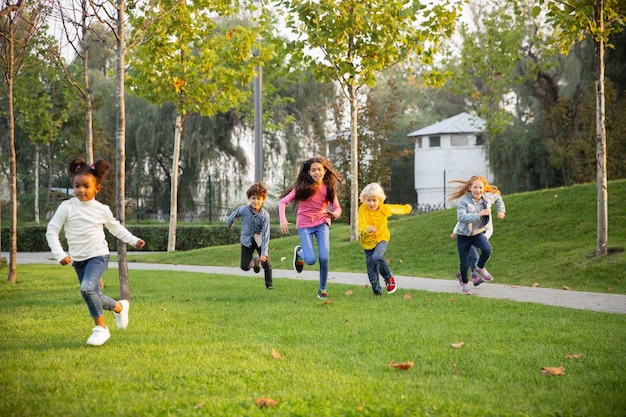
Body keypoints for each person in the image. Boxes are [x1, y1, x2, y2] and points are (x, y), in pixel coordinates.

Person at [46, 157, 145, 346]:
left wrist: (134, 240)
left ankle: (101, 328)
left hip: (98, 256)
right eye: (77, 186)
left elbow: (116, 228)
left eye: (86, 186)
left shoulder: (102, 209)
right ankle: (119, 307)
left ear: (96, 189)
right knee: (94, 294)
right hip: (78, 259)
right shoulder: (66, 207)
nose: (81, 190)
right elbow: (52, 230)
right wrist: (60, 254)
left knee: (86, 288)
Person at [279, 156, 342, 299]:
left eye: (319, 169)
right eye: (313, 170)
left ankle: (323, 289)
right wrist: (283, 219)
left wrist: (334, 214)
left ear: (325, 171)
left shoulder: (329, 188)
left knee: (324, 257)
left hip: (322, 223)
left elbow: (337, 207)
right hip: (305, 225)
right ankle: (300, 252)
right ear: (308, 172)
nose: (317, 173)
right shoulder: (302, 187)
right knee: (310, 260)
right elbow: (283, 202)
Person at [448, 175, 505, 295]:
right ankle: (464, 283)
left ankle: (479, 268)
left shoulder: (488, 197)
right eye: (475, 187)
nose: (478, 190)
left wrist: (501, 211)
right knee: (465, 263)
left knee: (487, 249)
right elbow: (461, 217)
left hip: (477, 233)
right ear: (470, 188)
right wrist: (479, 214)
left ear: (484, 188)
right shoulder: (465, 202)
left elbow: (498, 198)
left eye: (480, 187)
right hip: (463, 235)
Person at [358, 182, 412, 296]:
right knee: (371, 270)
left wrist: (407, 208)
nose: (371, 203)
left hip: (381, 238)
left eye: (374, 200)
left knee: (377, 256)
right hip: (367, 242)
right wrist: (367, 228)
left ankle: (389, 278)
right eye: (368, 200)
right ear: (364, 199)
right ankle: (377, 293)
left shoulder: (384, 209)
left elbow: (396, 209)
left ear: (380, 200)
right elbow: (360, 225)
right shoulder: (362, 209)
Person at [226, 182, 273, 290]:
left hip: (259, 240)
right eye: (253, 198)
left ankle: (269, 285)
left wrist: (264, 252)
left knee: (267, 263)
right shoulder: (243, 210)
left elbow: (266, 234)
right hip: (246, 240)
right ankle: (255, 262)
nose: (255, 201)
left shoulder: (264, 215)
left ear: (263, 200)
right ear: (249, 199)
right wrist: (229, 223)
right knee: (244, 266)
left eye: (258, 199)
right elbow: (234, 215)